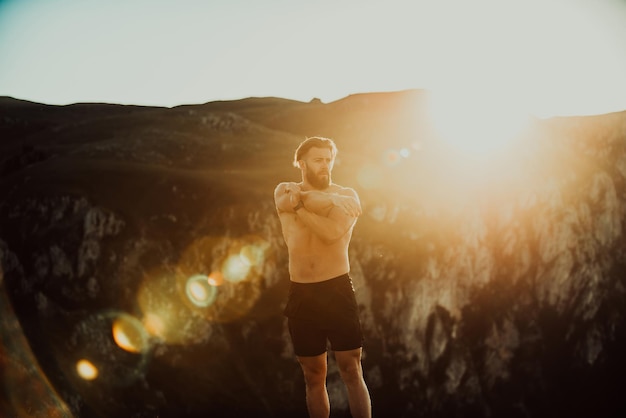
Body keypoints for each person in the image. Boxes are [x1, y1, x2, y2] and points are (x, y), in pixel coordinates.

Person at [274, 136, 372, 418]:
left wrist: (301, 205)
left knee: (351, 369)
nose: (325, 166)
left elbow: (330, 234)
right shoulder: (283, 189)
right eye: (319, 160)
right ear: (301, 163)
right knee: (313, 374)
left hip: (337, 289)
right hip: (301, 293)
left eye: (329, 160)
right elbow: (284, 200)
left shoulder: (349, 196)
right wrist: (328, 200)